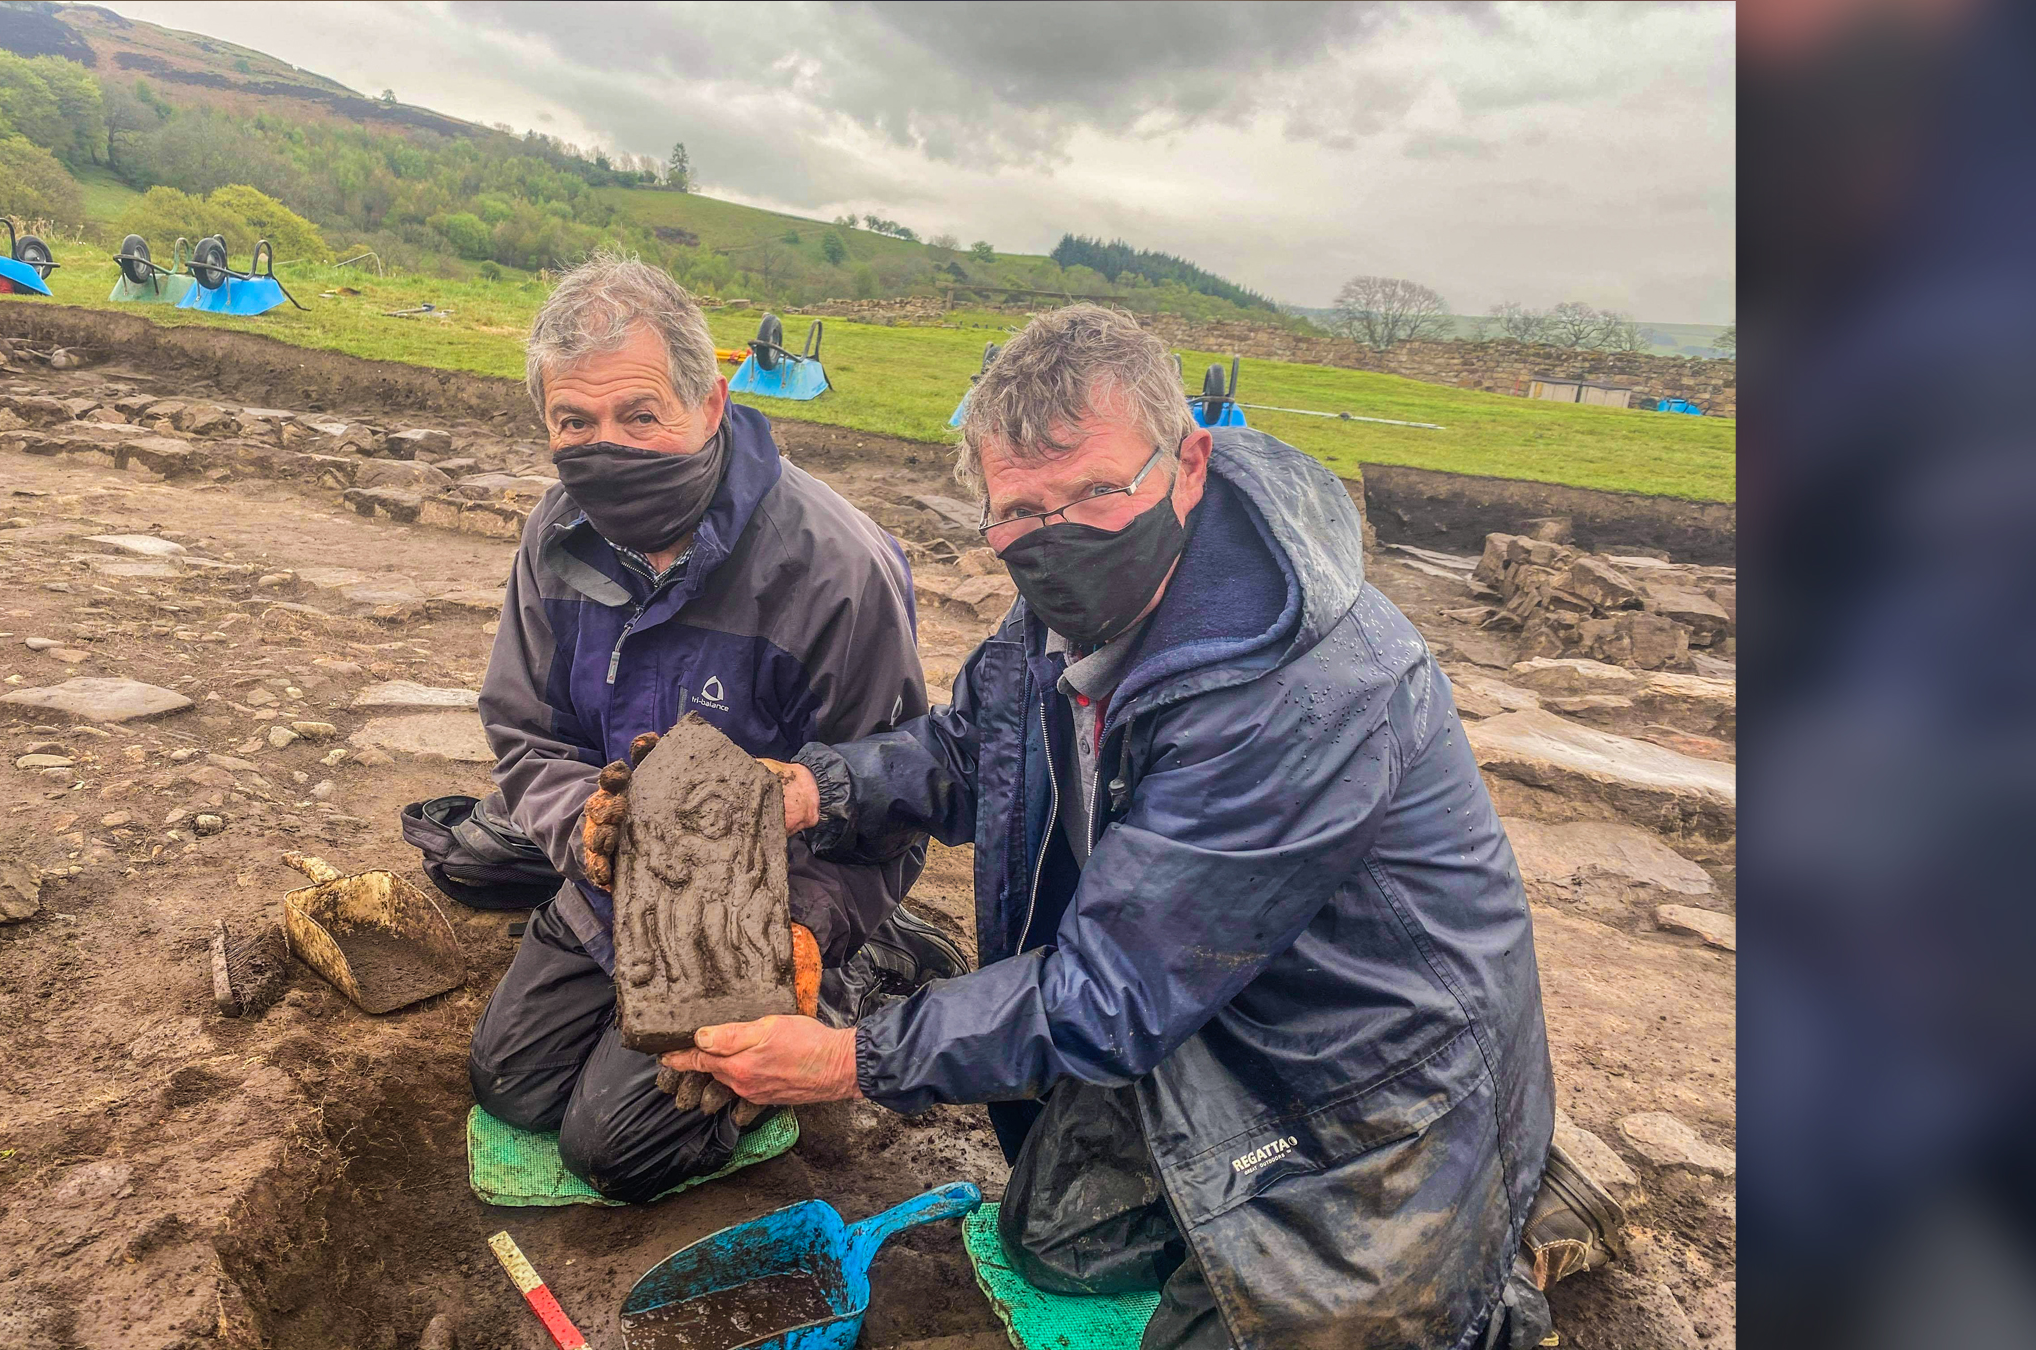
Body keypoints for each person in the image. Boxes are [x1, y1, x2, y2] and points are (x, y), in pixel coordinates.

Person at [661, 306, 1621, 1348]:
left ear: (1189, 462)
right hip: (1206, 1015)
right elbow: (967, 752)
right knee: (1052, 1241)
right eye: (1020, 510)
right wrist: (802, 791)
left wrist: (852, 1058)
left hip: (1370, 1070)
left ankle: (1495, 1220)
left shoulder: (1299, 690)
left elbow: (1109, 993)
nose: (1056, 533)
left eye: (1097, 493)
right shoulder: (1062, 618)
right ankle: (1323, 1201)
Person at [461, 252, 966, 1203]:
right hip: (616, 893)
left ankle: (866, 962)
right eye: (575, 421)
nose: (603, 445)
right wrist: (587, 830)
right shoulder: (557, 534)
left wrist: (804, 930)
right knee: (510, 1084)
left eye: (638, 414)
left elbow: (890, 802)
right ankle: (678, 981)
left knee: (612, 1148)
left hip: (767, 908)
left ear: (711, 404)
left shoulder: (834, 568)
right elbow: (526, 731)